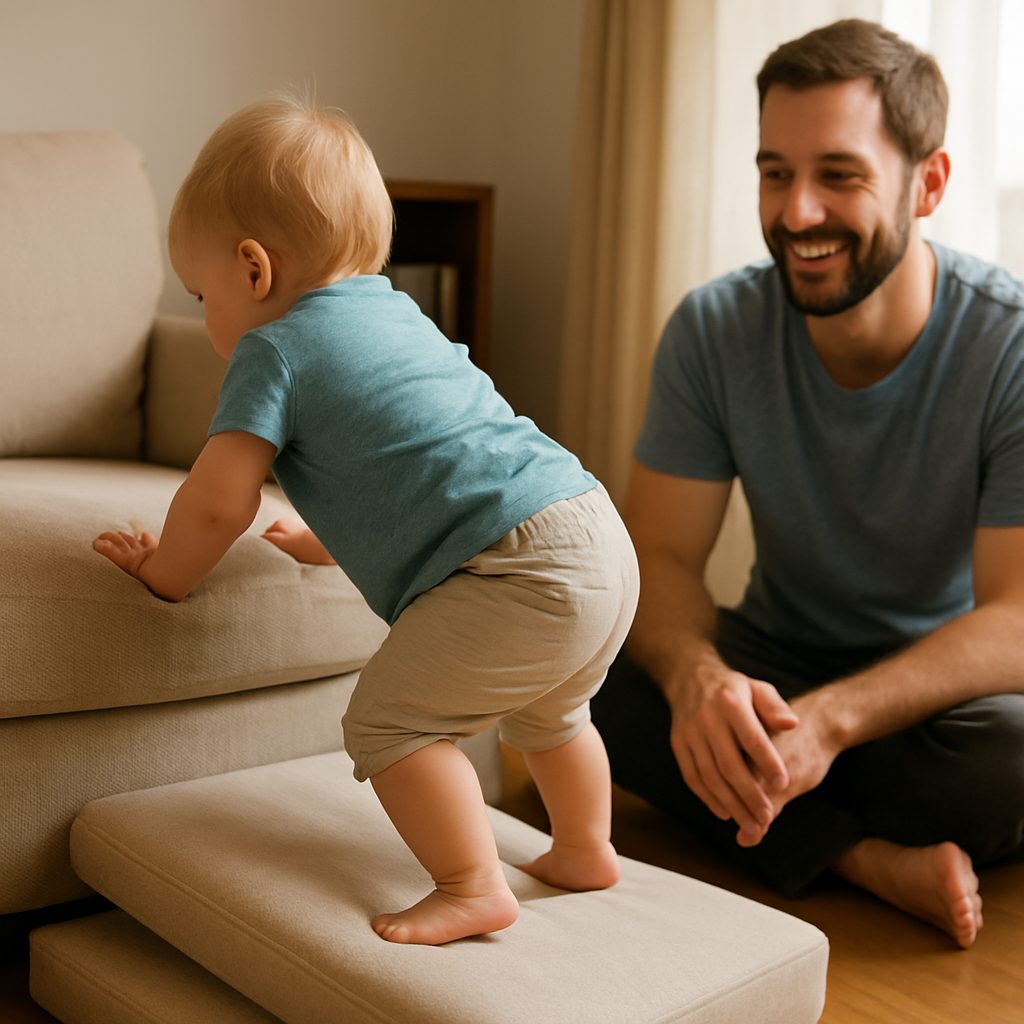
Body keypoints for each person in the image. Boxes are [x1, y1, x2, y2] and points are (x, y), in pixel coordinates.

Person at [92, 96, 639, 947]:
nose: (205, 318)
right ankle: (585, 847)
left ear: (253, 270)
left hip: (519, 570)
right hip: (593, 532)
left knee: (388, 723)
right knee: (554, 714)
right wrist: (323, 541)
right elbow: (412, 466)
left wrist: (165, 571)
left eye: (201, 294)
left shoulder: (274, 348)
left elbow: (218, 499)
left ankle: (471, 883)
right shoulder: (396, 313)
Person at [591, 18, 1024, 950]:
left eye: (839, 174)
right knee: (584, 665)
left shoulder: (1010, 347)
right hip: (773, 666)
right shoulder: (713, 330)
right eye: (775, 173)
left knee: (1011, 753)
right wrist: (702, 680)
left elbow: (1019, 617)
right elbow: (658, 555)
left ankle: (789, 817)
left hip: (935, 702)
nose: (796, 214)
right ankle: (862, 859)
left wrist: (832, 724)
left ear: (930, 183)